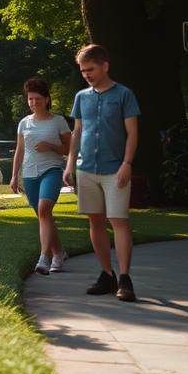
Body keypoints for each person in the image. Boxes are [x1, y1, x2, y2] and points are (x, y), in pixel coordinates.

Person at [63, 44, 140, 302]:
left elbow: (132, 133)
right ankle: (107, 274)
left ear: (105, 65)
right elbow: (77, 132)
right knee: (95, 221)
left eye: (91, 69)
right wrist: (70, 164)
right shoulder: (81, 97)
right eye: (83, 71)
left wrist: (127, 164)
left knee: (118, 220)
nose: (87, 75)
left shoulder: (124, 94)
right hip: (86, 170)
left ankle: (125, 278)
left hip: (115, 169)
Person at [8, 76, 73, 275]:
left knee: (44, 210)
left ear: (46, 99)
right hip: (29, 174)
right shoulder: (24, 124)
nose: (33, 103)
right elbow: (20, 151)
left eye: (37, 98)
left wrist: (51, 147)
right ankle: (59, 252)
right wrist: (14, 176)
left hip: (51, 170)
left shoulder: (58, 121)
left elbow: (70, 148)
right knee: (44, 217)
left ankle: (44, 258)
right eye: (30, 99)